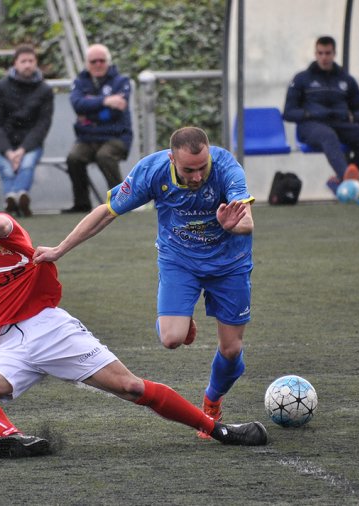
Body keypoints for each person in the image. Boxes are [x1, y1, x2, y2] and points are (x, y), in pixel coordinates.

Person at [0, 170, 267, 458]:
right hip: (10, 345)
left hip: (50, 328)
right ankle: (13, 439)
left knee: (131, 387)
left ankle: (219, 429)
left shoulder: (2, 227)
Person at [34, 127, 255, 441]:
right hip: (180, 261)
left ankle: (212, 401)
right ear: (171, 159)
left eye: (201, 168)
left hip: (229, 264)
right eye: (188, 170)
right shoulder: (152, 171)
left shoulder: (226, 167)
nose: (196, 176)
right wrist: (59, 249)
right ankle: (182, 318)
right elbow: (106, 212)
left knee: (231, 349)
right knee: (171, 339)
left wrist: (233, 225)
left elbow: (246, 221)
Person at [283, 35, 359, 193]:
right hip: (311, 126)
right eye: (320, 53)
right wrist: (310, 114)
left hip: (340, 123)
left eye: (328, 53)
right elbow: (288, 112)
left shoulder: (346, 79)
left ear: (334, 53)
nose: (324, 57)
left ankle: (344, 176)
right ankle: (346, 178)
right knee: (328, 135)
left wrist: (352, 117)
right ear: (315, 54)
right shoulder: (302, 78)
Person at [63, 44, 132, 213]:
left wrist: (91, 112)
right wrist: (105, 101)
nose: (98, 64)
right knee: (74, 158)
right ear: (87, 63)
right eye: (93, 61)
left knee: (105, 155)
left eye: (101, 60)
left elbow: (115, 113)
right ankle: (82, 203)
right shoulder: (80, 82)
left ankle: (121, 201)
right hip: (88, 137)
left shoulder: (121, 81)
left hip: (116, 136)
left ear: (108, 62)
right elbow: (77, 105)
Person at [0, 44, 54, 217]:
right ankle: (19, 197)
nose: (27, 65)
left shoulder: (45, 90)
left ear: (36, 63)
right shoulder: (1, 87)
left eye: (31, 61)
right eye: (23, 61)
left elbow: (42, 126)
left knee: (27, 163)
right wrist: (9, 152)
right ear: (15, 64)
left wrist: (22, 150)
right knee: (7, 167)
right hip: (2, 142)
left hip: (30, 144)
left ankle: (12, 199)